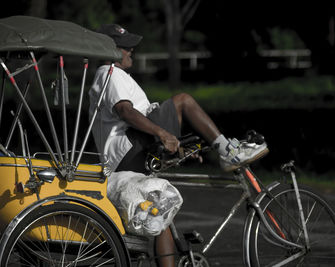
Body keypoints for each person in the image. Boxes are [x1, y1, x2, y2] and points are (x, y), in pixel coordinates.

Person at [89, 24, 268, 267]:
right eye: (125, 46)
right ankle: (229, 152)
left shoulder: (113, 75)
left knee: (160, 213)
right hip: (129, 146)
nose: (132, 50)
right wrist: (162, 133)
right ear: (109, 50)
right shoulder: (109, 72)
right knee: (183, 101)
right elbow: (126, 111)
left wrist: (178, 147)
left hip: (129, 149)